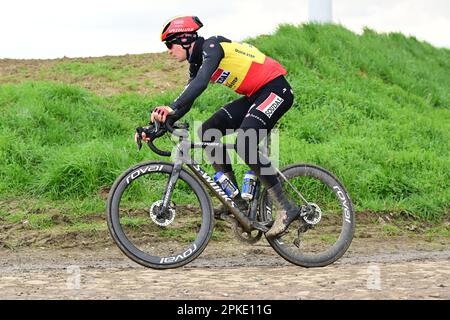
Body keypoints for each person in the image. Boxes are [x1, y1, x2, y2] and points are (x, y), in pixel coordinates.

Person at [142, 16, 299, 238]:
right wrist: (158, 124)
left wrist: (172, 106)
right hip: (255, 95)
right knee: (206, 132)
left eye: (170, 44)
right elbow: (187, 98)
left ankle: (286, 207)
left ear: (185, 39)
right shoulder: (197, 63)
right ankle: (235, 202)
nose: (169, 51)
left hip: (275, 89)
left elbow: (201, 82)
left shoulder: (212, 46)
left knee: (244, 143)